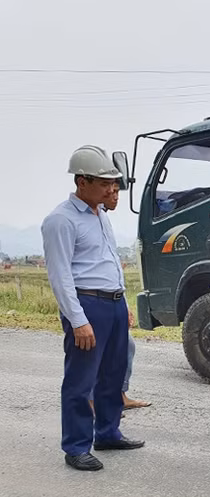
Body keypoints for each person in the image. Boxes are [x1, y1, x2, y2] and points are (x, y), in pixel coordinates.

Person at [42, 145, 145, 472]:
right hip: (87, 304)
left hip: (112, 304)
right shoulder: (61, 220)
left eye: (113, 183)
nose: (111, 189)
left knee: (113, 373)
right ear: (81, 181)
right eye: (104, 183)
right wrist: (77, 320)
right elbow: (60, 276)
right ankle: (76, 446)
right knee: (81, 378)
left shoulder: (100, 215)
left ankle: (108, 433)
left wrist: (122, 303)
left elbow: (109, 261)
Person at [90, 183, 152, 411]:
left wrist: (123, 304)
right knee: (94, 352)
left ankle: (119, 395)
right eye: (112, 191)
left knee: (126, 346)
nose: (115, 196)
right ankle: (91, 403)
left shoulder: (103, 220)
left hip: (113, 299)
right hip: (92, 299)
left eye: (117, 191)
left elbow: (113, 267)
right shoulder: (76, 221)